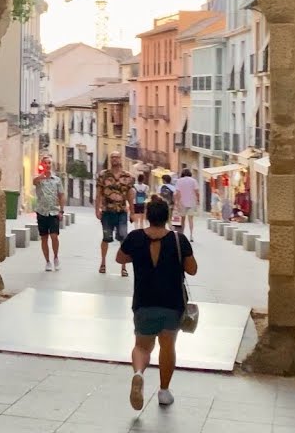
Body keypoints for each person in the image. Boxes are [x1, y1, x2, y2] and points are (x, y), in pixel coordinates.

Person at [115, 197, 197, 411]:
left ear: (149, 216)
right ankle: (164, 391)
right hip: (172, 303)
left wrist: (140, 256)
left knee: (142, 346)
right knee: (167, 346)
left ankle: (138, 373)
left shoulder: (135, 237)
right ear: (167, 217)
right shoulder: (179, 240)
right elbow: (192, 269)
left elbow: (119, 258)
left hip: (144, 301)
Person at [95, 152, 134, 277]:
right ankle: (103, 263)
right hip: (107, 211)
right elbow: (99, 193)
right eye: (112, 157)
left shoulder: (127, 176)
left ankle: (123, 267)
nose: (114, 159)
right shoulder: (103, 175)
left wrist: (132, 212)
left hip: (121, 211)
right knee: (106, 237)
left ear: (120, 159)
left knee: (123, 237)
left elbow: (130, 196)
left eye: (116, 157)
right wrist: (97, 209)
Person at [32, 155, 64, 272]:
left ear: (52, 165)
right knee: (44, 238)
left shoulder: (57, 180)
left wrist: (61, 210)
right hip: (42, 212)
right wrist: (42, 175)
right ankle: (47, 262)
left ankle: (55, 257)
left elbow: (61, 195)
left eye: (49, 163)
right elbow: (34, 182)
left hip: (54, 211)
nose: (47, 165)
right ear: (42, 164)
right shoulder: (39, 179)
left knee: (54, 236)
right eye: (45, 163)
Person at [173, 169, 201, 239]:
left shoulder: (179, 181)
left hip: (182, 202)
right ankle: (191, 235)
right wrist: (198, 200)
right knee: (191, 219)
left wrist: (176, 202)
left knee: (182, 219)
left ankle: (182, 235)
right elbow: (197, 192)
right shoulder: (193, 181)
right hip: (192, 202)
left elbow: (177, 193)